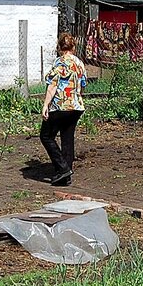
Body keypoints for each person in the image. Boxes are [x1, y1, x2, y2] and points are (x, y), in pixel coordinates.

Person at [39, 32, 86, 185]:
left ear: (59, 47)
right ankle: (65, 175)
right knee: (67, 138)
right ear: (74, 47)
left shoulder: (59, 63)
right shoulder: (79, 63)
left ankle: (63, 168)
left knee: (46, 136)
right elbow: (82, 85)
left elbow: (52, 86)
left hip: (60, 106)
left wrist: (46, 104)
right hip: (76, 106)